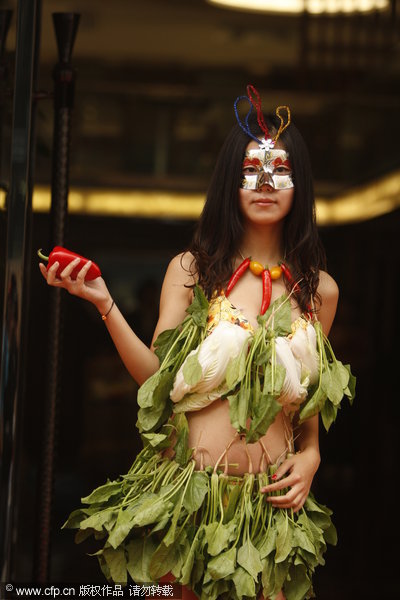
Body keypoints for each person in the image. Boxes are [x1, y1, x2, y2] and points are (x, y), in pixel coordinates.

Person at [39, 85, 354, 600]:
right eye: (252, 169)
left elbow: (307, 398)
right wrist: (105, 304)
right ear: (232, 181)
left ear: (301, 185)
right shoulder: (192, 272)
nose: (266, 182)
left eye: (280, 170)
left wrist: (314, 452)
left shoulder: (320, 291)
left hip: (268, 522)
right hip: (189, 507)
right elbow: (155, 379)